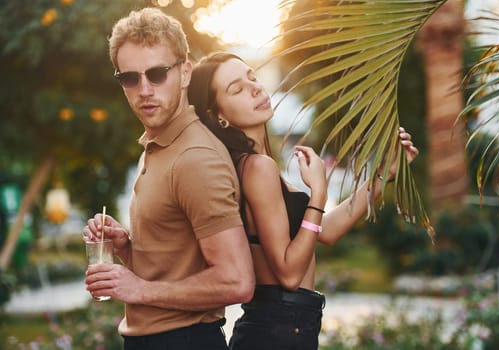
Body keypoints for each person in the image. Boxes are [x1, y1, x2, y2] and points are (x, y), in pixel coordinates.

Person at [187, 52, 419, 350]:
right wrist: (319, 193)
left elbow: (326, 231)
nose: (255, 88)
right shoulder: (257, 168)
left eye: (252, 77)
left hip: (282, 327)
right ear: (216, 115)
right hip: (277, 330)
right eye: (237, 89)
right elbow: (289, 272)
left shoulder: (256, 165)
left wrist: (383, 175)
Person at [82, 10, 254, 350]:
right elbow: (175, 265)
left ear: (185, 73)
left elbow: (237, 280)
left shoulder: (195, 158)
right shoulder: (159, 147)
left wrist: (138, 289)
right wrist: (126, 247)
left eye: (157, 74)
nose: (144, 90)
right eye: (130, 78)